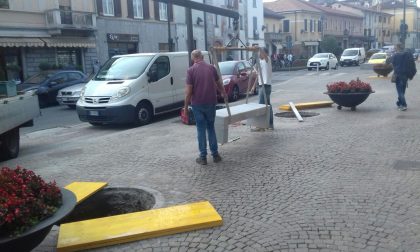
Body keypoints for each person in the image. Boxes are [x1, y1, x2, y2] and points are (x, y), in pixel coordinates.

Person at [184, 50, 227, 165]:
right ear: (202, 57)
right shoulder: (211, 68)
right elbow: (219, 84)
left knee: (201, 130)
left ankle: (203, 157)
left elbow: (188, 92)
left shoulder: (191, 71)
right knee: (211, 128)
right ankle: (215, 155)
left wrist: (185, 107)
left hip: (197, 104)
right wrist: (223, 93)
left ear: (193, 58)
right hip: (211, 102)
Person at [252, 47, 274, 131]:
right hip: (262, 86)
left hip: (265, 86)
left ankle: (260, 126)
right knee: (268, 106)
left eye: (260, 53)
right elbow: (258, 75)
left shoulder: (267, 59)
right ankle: (270, 125)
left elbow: (264, 54)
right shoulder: (260, 62)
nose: (259, 54)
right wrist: (253, 86)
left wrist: (259, 48)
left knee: (261, 106)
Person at [391, 43, 417, 111]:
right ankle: (399, 103)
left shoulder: (395, 55)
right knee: (402, 91)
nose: (394, 48)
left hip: (398, 76)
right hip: (405, 76)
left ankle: (403, 105)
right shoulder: (407, 55)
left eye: (395, 47)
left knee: (400, 92)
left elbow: (392, 64)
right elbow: (412, 64)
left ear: (397, 47)